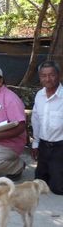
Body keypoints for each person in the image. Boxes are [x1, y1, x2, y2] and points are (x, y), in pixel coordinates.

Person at [31, 61, 63, 194]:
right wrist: (35, 144)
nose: (48, 79)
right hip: (44, 146)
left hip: (60, 147)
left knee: (58, 188)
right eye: (44, 75)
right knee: (39, 184)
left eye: (51, 75)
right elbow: (36, 121)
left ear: (59, 75)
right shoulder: (39, 95)